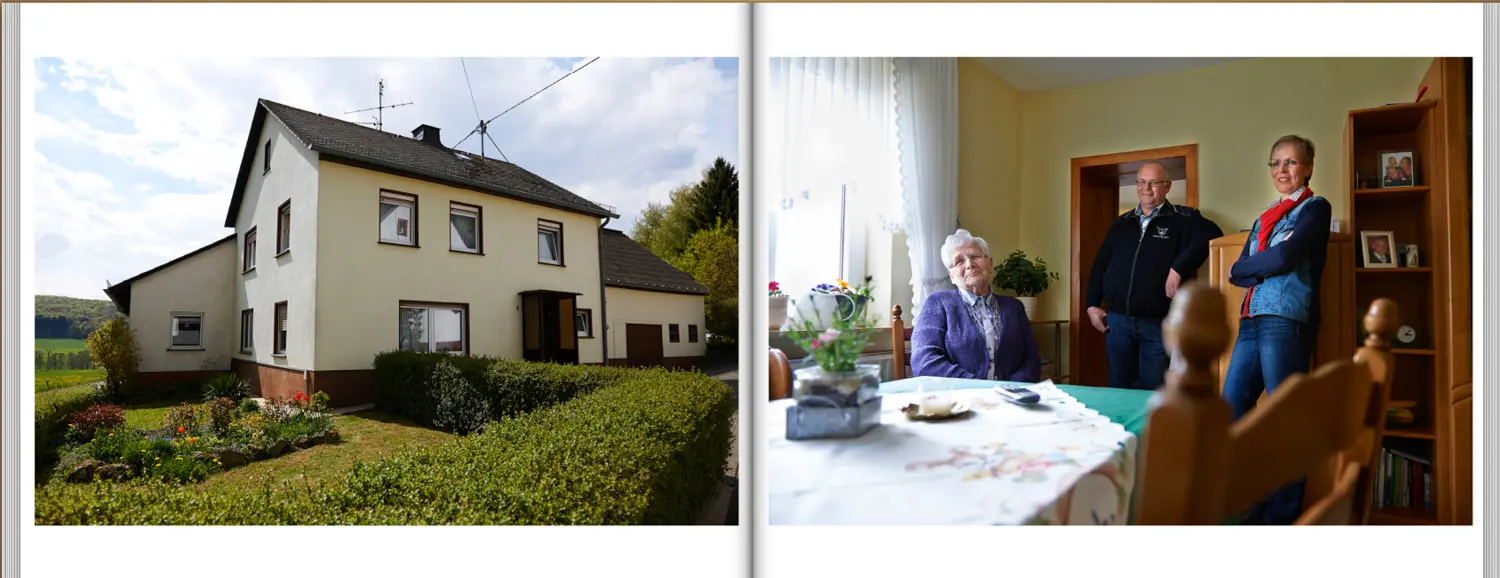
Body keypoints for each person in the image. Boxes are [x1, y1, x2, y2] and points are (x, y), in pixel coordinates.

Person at [1224, 134, 1334, 525]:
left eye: (1291, 162)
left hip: (1286, 319)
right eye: (1276, 163)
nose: (1282, 170)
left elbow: (1287, 255)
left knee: (1286, 417)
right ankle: (1256, 496)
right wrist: (1264, 263)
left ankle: (1282, 517)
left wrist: (1261, 263)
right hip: (1251, 319)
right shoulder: (1266, 216)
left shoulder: (1315, 208)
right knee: (1232, 407)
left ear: (1307, 168)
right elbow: (1236, 270)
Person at [1084, 160, 1223, 390]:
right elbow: (1100, 265)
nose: (1146, 188)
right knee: (1118, 387)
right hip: (1118, 322)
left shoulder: (1182, 219)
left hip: (1158, 322)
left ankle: (1149, 428)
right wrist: (1091, 305)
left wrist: (1179, 268)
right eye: (1141, 182)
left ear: (1167, 186)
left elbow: (1212, 233)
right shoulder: (1121, 223)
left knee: (1154, 388)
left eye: (1154, 183)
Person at [910, 229, 1041, 382]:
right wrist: (975, 386)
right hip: (959, 400)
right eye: (959, 261)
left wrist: (1011, 389)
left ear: (990, 264)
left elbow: (1032, 359)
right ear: (951, 276)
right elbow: (924, 361)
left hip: (1010, 399)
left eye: (975, 256)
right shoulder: (937, 303)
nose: (969, 265)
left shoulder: (1014, 307)